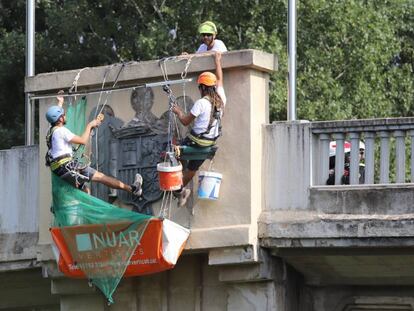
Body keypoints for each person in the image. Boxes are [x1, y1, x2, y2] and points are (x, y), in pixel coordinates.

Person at [45, 92, 143, 196]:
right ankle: (133, 189)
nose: (65, 116)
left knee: (86, 191)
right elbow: (83, 140)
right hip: (68, 167)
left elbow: (55, 115)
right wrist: (90, 125)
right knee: (101, 177)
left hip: (59, 170)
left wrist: (60, 103)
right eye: (63, 115)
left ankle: (85, 210)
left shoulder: (51, 131)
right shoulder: (61, 131)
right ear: (60, 119)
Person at [172, 52, 226, 206]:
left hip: (196, 141)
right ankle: (181, 189)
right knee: (193, 167)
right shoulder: (221, 100)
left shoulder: (201, 103)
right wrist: (217, 61)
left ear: (202, 87)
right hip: (209, 143)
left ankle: (178, 187)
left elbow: (185, 121)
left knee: (174, 151)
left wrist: (178, 111)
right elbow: (220, 80)